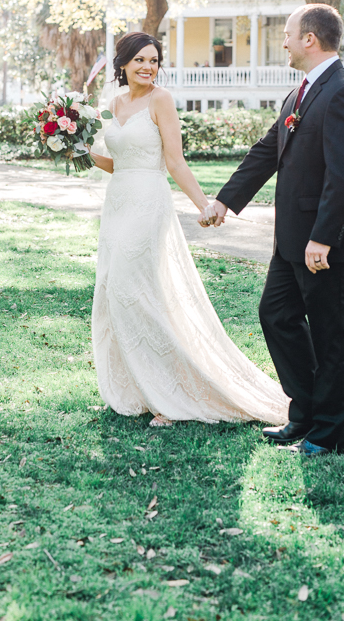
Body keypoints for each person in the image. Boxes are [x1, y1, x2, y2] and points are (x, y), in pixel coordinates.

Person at [201, 4, 344, 456]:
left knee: (331, 334)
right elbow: (267, 151)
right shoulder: (300, 92)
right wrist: (225, 199)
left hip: (326, 243)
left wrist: (323, 237)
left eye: (288, 34)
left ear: (310, 40)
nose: (284, 42)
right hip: (290, 240)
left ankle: (329, 434)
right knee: (276, 316)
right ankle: (304, 414)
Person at [89, 31, 289, 428]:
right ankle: (141, 388)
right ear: (123, 64)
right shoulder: (112, 105)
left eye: (154, 60)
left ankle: (170, 393)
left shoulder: (160, 99)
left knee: (136, 289)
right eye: (141, 60)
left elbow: (175, 162)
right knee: (114, 287)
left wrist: (206, 205)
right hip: (118, 202)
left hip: (149, 200)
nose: (148, 67)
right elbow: (115, 161)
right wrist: (75, 146)